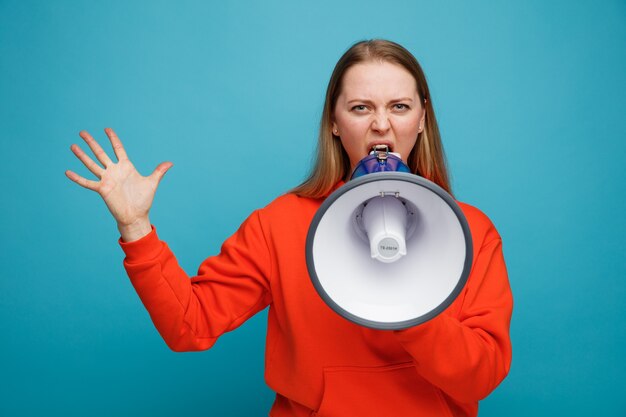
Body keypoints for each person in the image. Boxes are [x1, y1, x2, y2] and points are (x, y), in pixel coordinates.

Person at [66, 39, 512, 417]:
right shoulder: (280, 224)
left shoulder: (470, 232)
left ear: (421, 118)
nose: (381, 123)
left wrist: (409, 306)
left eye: (399, 106)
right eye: (361, 107)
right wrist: (136, 226)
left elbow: (482, 374)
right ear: (335, 123)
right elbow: (190, 323)